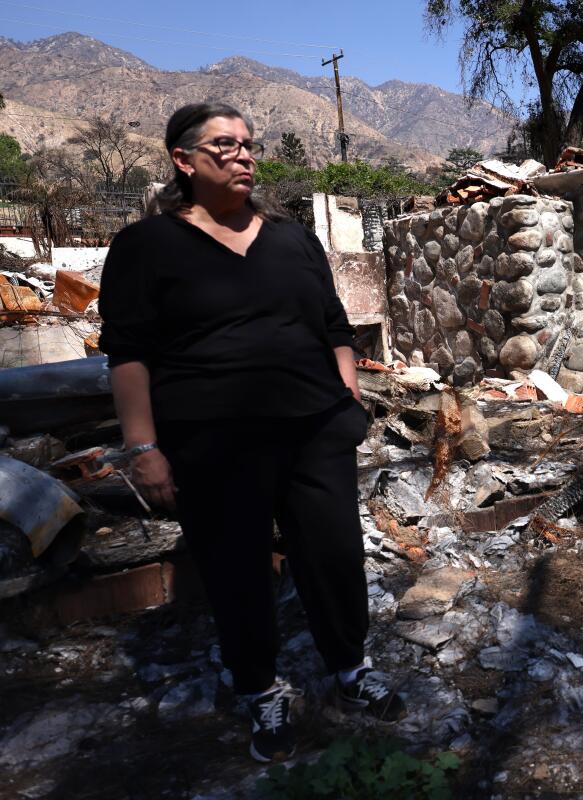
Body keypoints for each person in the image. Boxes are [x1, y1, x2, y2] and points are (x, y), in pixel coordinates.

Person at [98, 102, 400, 763]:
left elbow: (332, 324)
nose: (244, 155)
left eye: (248, 144)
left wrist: (347, 390)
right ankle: (261, 692)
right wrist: (143, 448)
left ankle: (351, 668)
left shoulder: (292, 239)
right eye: (224, 145)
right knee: (235, 569)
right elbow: (127, 353)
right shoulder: (145, 247)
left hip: (315, 427)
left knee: (335, 556)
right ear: (184, 160)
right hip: (213, 440)